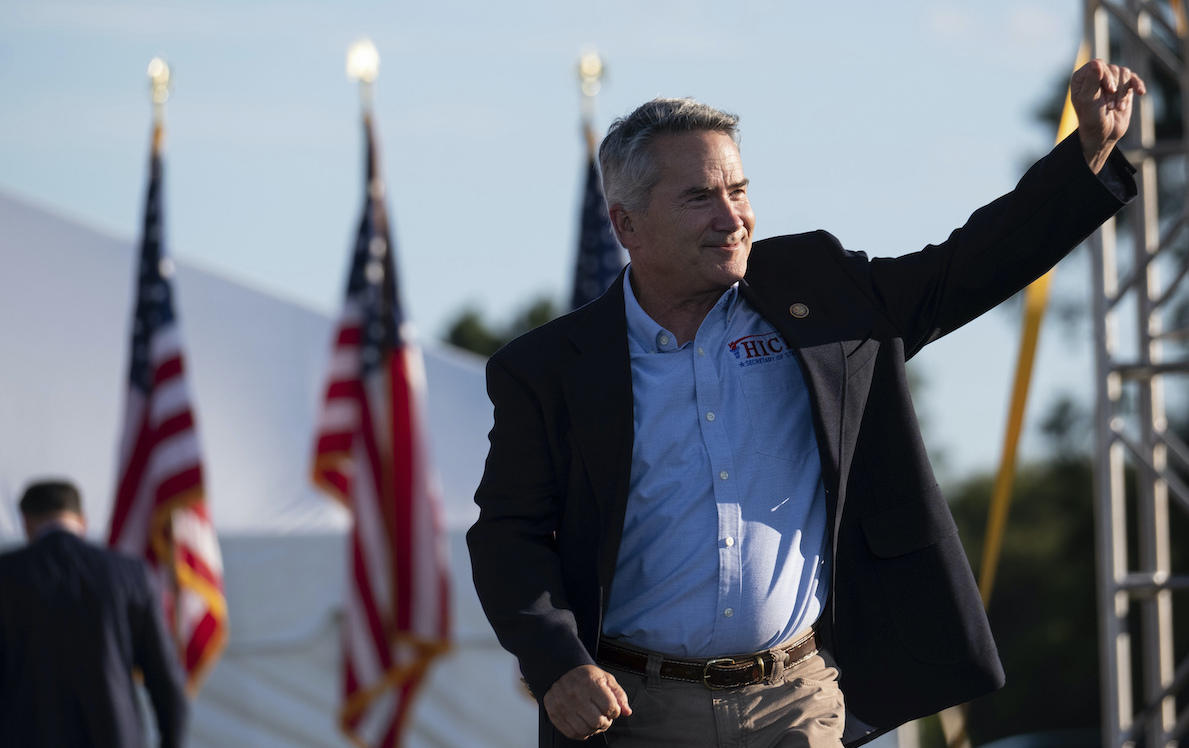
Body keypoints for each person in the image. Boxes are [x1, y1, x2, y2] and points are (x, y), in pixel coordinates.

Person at [468, 60, 1145, 748]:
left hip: (797, 701)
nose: (732, 218)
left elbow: (964, 267)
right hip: (635, 714)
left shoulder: (818, 292)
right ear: (626, 225)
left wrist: (1085, 150)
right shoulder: (545, 369)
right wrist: (557, 665)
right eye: (699, 197)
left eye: (738, 190)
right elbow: (507, 536)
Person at [0, 480, 189, 748]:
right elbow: (167, 681)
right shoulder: (131, 575)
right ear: (82, 521)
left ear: (26, 522)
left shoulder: (6, 575)